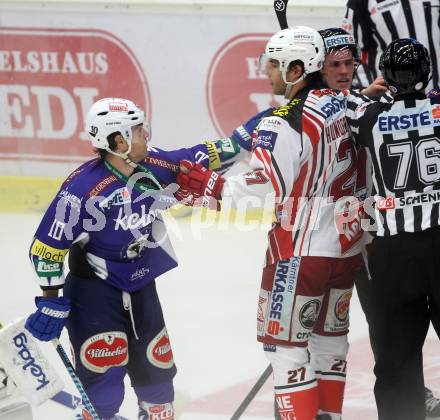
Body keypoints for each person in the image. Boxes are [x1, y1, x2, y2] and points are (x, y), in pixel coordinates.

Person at [176, 26, 364, 420]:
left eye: (276, 65)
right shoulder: (343, 103)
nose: (268, 72)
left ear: (298, 69)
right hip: (347, 247)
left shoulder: (280, 122)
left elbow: (257, 188)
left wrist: (207, 185)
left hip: (299, 252)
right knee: (330, 346)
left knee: (286, 351)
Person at [23, 97, 244, 420]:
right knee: (104, 394)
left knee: (158, 385)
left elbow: (197, 156)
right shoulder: (81, 188)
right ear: (118, 141)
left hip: (141, 284)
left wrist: (252, 136)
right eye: (138, 131)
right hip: (93, 295)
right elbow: (46, 246)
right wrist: (50, 301)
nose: (146, 136)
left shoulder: (155, 164)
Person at [345, 38, 440, 420]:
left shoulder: (367, 115)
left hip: (392, 254)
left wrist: (368, 92)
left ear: (386, 75)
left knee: (396, 363)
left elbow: (335, 100)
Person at [342, 0, 440, 91]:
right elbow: (348, 51)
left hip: (436, 94)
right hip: (389, 101)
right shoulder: (361, 2)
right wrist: (366, 94)